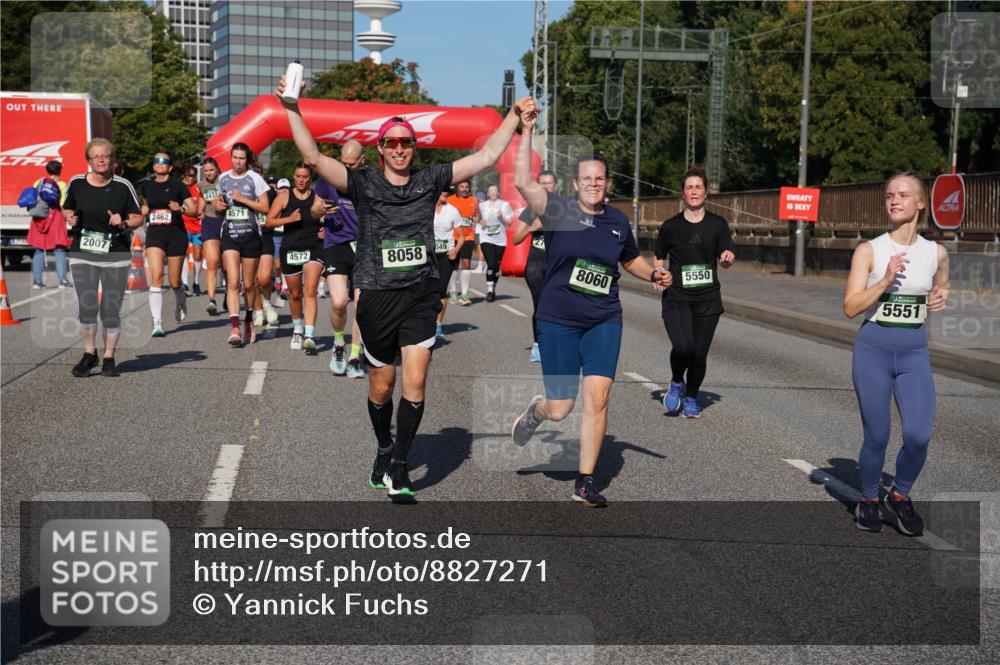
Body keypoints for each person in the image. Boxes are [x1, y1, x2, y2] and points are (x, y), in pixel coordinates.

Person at [279, 73, 535, 497]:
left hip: (420, 292)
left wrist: (512, 115)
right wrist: (291, 107)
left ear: (414, 148)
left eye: (407, 142)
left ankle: (400, 465)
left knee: (416, 384)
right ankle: (383, 446)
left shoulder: (431, 179)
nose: (400, 148)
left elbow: (489, 154)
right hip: (378, 296)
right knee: (383, 388)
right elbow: (309, 153)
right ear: (380, 149)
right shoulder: (362, 182)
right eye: (392, 142)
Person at [510, 113, 671, 508]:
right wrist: (527, 130)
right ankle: (537, 412)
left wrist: (653, 273)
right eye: (587, 179)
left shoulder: (617, 220)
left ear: (607, 184)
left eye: (600, 179)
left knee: (598, 398)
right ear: (575, 184)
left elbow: (630, 259)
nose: (594, 185)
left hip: (603, 318)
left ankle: (584, 481)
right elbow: (521, 182)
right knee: (562, 407)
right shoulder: (556, 210)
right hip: (559, 318)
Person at [843, 171, 949, 535]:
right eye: (889, 195)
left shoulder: (936, 252)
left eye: (904, 194)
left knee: (919, 436)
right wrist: (885, 281)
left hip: (914, 354)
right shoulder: (870, 251)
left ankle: (899, 497)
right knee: (878, 435)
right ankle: (869, 498)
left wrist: (941, 294)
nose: (894, 200)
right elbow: (851, 307)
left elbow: (942, 281)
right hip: (873, 349)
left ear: (921, 203)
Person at [653, 165, 736, 419]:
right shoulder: (670, 227)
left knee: (699, 354)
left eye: (698, 187)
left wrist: (726, 259)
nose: (694, 191)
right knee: (684, 347)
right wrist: (659, 273)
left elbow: (726, 256)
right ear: (682, 193)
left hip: (708, 299)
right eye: (689, 187)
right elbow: (658, 258)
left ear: (706, 192)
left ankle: (691, 398)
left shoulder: (718, 225)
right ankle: (677, 381)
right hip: (677, 297)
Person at [63, 138, 142, 377]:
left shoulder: (123, 186)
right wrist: (70, 217)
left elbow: (139, 218)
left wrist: (125, 222)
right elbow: (67, 207)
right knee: (87, 306)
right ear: (88, 160)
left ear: (112, 160)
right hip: (83, 251)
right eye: (95, 156)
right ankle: (90, 354)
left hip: (115, 253)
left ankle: (109, 357)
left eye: (105, 156)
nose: (100, 160)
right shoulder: (77, 183)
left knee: (110, 308)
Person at [314, 140, 365, 378]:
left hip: (364, 246)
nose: (346, 169)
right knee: (338, 302)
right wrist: (322, 209)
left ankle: (355, 354)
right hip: (336, 245)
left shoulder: (370, 180)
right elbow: (314, 209)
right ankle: (338, 344)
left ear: (362, 161)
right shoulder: (328, 177)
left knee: (363, 306)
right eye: (343, 164)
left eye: (351, 165)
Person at [266, 162, 328, 352]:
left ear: (311, 178)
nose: (301, 180)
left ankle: (309, 335)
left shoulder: (318, 197)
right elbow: (269, 222)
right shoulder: (284, 197)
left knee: (309, 290)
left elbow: (329, 220)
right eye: (298, 176)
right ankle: (297, 330)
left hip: (313, 248)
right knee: (295, 294)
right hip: (291, 249)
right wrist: (289, 219)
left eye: (305, 177)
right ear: (294, 176)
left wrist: (326, 231)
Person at [215, 143, 270, 346]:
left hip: (251, 236)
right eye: (235, 158)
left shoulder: (255, 178)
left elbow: (265, 207)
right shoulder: (223, 178)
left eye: (241, 158)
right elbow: (219, 204)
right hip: (229, 234)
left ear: (247, 159)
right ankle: (234, 326)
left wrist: (244, 200)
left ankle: (248, 320)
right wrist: (218, 205)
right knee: (232, 282)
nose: (238, 162)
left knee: (249, 285)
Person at [140, 151, 197, 337]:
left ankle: (181, 302)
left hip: (175, 235)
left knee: (174, 282)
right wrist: (139, 215)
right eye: (156, 161)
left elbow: (193, 210)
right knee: (156, 276)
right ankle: (157, 323)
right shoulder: (147, 185)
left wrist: (180, 209)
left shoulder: (178, 185)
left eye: (163, 161)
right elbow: (146, 206)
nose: (159, 163)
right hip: (155, 234)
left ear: (170, 167)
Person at [512, 169, 557, 362]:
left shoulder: (566, 208)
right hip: (537, 264)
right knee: (541, 305)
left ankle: (558, 343)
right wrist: (533, 227)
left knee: (561, 306)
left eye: (550, 183)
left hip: (558, 264)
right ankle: (538, 345)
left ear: (556, 185)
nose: (546, 186)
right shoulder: (531, 209)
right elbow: (515, 239)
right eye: (543, 183)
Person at [28, 160, 71, 289]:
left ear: (47, 170)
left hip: (39, 218)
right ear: (60, 170)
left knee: (39, 248)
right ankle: (63, 281)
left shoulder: (38, 182)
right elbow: (63, 204)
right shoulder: (62, 185)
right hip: (55, 218)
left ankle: (37, 282)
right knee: (59, 249)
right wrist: (68, 218)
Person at [433, 190, 465, 338]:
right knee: (425, 289)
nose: (446, 193)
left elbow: (462, 236)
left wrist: (456, 250)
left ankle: (438, 325)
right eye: (443, 190)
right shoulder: (425, 207)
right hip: (428, 254)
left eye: (447, 191)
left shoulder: (452, 211)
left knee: (440, 289)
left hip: (447, 254)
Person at [477, 185, 514, 302]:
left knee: (496, 267)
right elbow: (477, 218)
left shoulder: (504, 205)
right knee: (491, 264)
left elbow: (509, 223)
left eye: (495, 191)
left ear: (498, 193)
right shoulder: (482, 205)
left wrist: (502, 217)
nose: (493, 192)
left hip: (500, 239)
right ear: (488, 194)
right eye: (490, 191)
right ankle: (489, 291)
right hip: (486, 238)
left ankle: (493, 289)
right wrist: (480, 221)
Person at [254, 177, 281, 331]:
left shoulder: (270, 193)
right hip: (248, 238)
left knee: (264, 277)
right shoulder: (241, 192)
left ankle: (267, 304)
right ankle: (258, 312)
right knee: (253, 281)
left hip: (266, 237)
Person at [447, 180, 481, 305]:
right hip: (453, 237)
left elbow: (478, 215)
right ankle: (454, 291)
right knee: (454, 265)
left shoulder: (474, 200)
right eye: (462, 187)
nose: (465, 189)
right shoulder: (450, 200)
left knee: (466, 263)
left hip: (468, 236)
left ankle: (465, 294)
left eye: (467, 187)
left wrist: (478, 218)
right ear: (457, 188)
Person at [198, 158, 225, 315]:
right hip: (209, 223)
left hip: (226, 222)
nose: (208, 173)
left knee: (227, 266)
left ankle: (229, 294)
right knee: (212, 262)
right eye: (206, 170)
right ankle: (212, 300)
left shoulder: (225, 181)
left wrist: (224, 204)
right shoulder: (201, 184)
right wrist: (199, 210)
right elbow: (201, 200)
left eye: (211, 170)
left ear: (217, 169)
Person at [180, 165, 203, 296]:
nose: (189, 178)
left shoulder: (199, 189)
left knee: (197, 255)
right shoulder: (179, 188)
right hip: (183, 226)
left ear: (195, 177)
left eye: (192, 176)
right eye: (187, 175)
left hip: (197, 227)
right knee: (183, 254)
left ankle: (196, 283)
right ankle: (185, 283)